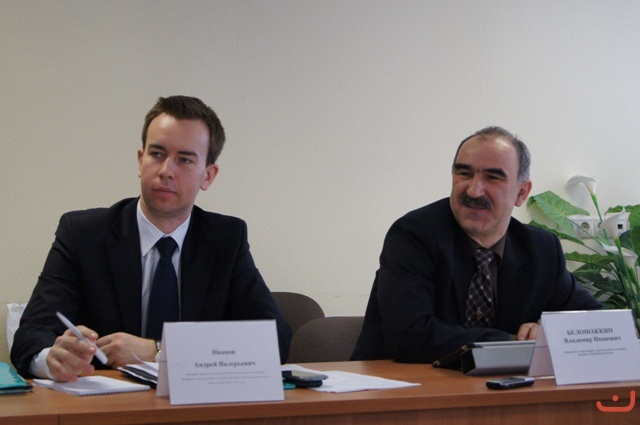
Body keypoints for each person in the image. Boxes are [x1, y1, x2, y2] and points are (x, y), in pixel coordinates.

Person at [11, 96, 292, 381]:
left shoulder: (225, 240)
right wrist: (52, 359)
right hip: (107, 403)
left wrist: (159, 350)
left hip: (196, 401)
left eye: (184, 160)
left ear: (208, 176)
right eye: (157, 154)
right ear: (140, 160)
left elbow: (275, 338)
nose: (166, 171)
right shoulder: (82, 234)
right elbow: (30, 335)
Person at [351, 126, 600, 363]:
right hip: (399, 384)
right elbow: (410, 335)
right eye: (464, 174)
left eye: (493, 177)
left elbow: (594, 322)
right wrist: (513, 343)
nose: (473, 190)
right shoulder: (414, 235)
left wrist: (546, 331)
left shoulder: (541, 249)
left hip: (504, 388)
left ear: (522, 193)